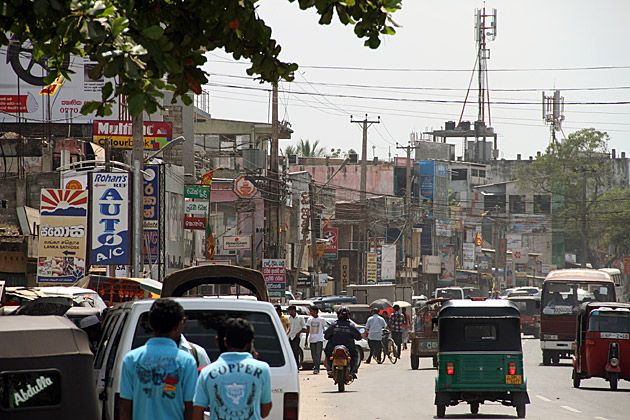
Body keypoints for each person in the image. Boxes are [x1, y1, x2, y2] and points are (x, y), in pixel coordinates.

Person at [119, 299, 198, 420]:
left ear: (151, 323)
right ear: (179, 325)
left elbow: (125, 408)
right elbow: (190, 408)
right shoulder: (186, 361)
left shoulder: (131, 359)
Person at [193, 318, 272, 420]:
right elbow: (265, 410)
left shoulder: (207, 372)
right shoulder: (262, 369)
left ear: (225, 342)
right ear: (250, 343)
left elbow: (197, 412)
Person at [324, 307, 362, 378]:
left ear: (338, 315)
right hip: (349, 348)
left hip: (333, 347)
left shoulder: (333, 325)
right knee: (355, 355)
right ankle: (353, 372)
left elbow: (326, 336)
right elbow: (359, 337)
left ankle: (329, 370)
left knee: (328, 353)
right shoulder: (351, 326)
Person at [304, 306, 327, 374]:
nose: (310, 312)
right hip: (312, 339)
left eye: (311, 311)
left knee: (318, 354)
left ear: (315, 311)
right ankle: (315, 366)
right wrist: (306, 339)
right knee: (313, 355)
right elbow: (308, 330)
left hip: (319, 339)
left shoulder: (321, 319)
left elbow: (324, 329)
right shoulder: (309, 319)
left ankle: (317, 368)